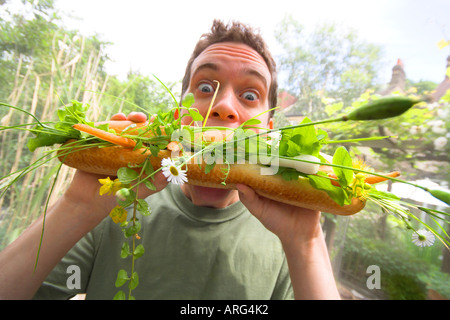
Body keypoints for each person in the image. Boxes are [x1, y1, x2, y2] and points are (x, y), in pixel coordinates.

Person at [0, 20, 340, 300]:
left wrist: (307, 244)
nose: (223, 106)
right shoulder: (118, 202)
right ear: (179, 117)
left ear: (268, 130)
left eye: (250, 95)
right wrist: (76, 206)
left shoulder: (287, 238)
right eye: (205, 87)